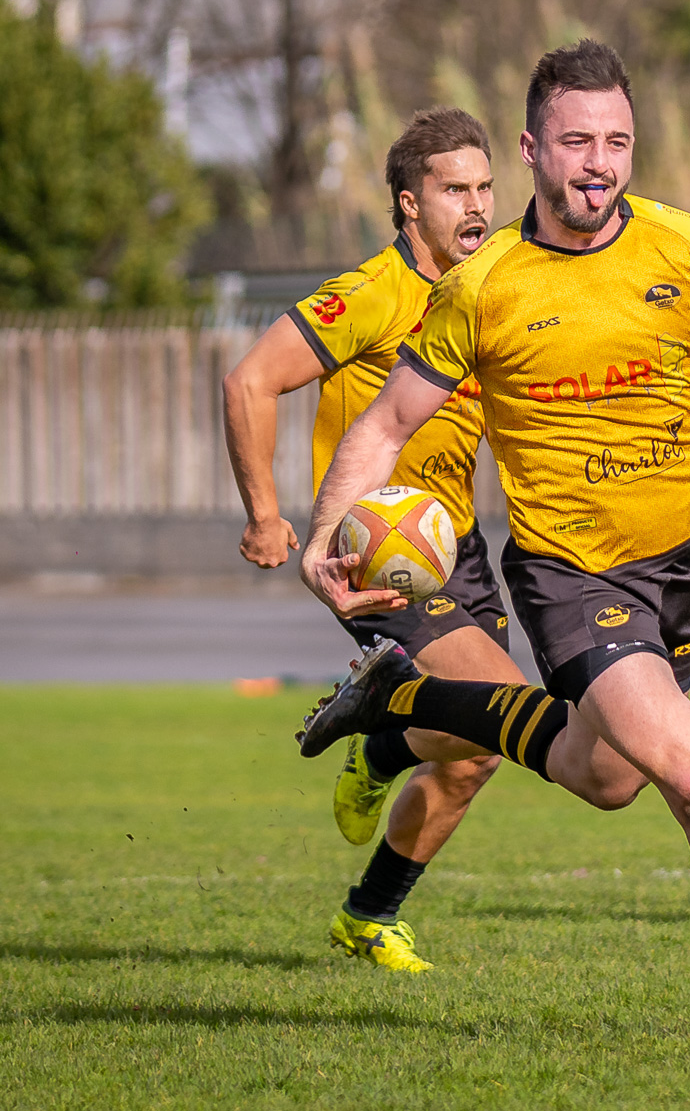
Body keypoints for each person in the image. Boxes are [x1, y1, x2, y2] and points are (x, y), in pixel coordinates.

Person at [292, 40, 690, 1040]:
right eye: (576, 140)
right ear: (533, 149)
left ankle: (399, 701)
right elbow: (381, 426)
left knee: (607, 777)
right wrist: (325, 537)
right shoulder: (484, 285)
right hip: (570, 574)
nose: (598, 160)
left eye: (617, 141)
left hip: (678, 565)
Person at [223, 107, 528, 973]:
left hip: (457, 548)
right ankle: (383, 731)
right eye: (453, 190)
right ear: (408, 204)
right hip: (377, 552)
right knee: (508, 709)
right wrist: (264, 514)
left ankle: (369, 905)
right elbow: (248, 381)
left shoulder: (488, 291)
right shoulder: (371, 293)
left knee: (478, 753)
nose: (475, 206)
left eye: (484, 187)